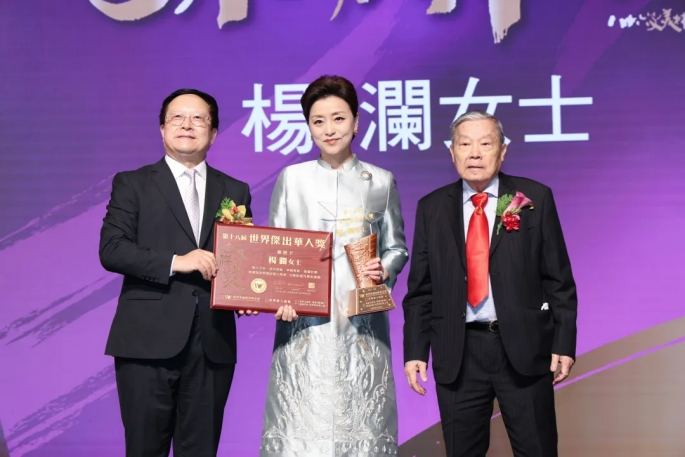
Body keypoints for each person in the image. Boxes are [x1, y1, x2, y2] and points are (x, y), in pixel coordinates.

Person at [403, 110, 578, 456]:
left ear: (502, 151)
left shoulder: (534, 198)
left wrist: (564, 342)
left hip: (525, 349)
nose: (475, 154)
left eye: (485, 144)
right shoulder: (432, 208)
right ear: (451, 152)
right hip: (459, 352)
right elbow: (421, 290)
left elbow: (559, 280)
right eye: (464, 144)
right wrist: (415, 351)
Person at [99, 88, 255, 457]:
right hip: (146, 341)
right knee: (145, 448)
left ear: (213, 133)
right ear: (162, 129)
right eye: (177, 117)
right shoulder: (132, 183)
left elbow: (241, 257)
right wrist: (176, 261)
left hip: (212, 342)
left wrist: (247, 292)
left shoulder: (235, 190)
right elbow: (112, 249)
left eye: (198, 118)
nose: (187, 124)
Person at [259, 75, 409, 456]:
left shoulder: (381, 181)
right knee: (300, 430)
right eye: (318, 121)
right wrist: (278, 294)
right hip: (303, 325)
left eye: (339, 118)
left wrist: (384, 269)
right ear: (308, 126)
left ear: (356, 122)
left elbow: (397, 247)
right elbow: (274, 250)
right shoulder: (292, 179)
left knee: (362, 430)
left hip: (362, 323)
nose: (329, 129)